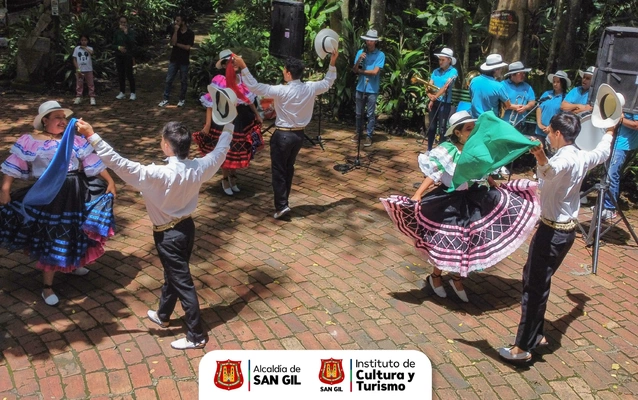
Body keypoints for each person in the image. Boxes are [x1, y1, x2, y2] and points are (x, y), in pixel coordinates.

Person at [76, 118, 233, 350]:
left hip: (168, 235)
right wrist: (229, 125)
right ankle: (163, 314)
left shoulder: (155, 174)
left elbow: (118, 162)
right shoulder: (199, 167)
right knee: (174, 273)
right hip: (187, 228)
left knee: (183, 282)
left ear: (167, 146)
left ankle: (196, 335)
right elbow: (220, 151)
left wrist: (91, 135)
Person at [380, 111, 540, 302]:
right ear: (457, 132)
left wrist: (494, 184)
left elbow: (483, 168)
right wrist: (418, 194)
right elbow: (435, 174)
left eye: (473, 128)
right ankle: (436, 276)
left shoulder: (476, 148)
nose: (472, 132)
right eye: (468, 129)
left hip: (472, 198)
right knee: (446, 241)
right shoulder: (447, 149)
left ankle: (457, 278)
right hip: (449, 200)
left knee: (468, 242)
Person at [498, 112, 613, 364]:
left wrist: (540, 155)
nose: (548, 135)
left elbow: (550, 172)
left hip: (552, 233)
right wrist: (610, 129)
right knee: (536, 281)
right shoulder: (583, 155)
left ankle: (522, 348)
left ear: (559, 134)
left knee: (534, 288)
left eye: (550, 131)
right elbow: (603, 151)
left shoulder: (566, 160)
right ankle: (535, 335)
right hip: (564, 233)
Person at [0, 101, 116, 306]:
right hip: (48, 194)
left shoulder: (74, 140)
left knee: (76, 229)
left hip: (75, 190)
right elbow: (14, 164)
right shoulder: (30, 141)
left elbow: (90, 161)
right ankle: (47, 287)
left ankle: (72, 263)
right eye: (58, 118)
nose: (63, 121)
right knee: (53, 235)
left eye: (64, 118)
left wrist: (110, 181)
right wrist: (5, 189)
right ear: (45, 120)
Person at [233, 51, 338, 219]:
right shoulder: (310, 88)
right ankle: (284, 203)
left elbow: (255, 87)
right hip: (298, 137)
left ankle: (282, 205)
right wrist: (332, 63)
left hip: (282, 135)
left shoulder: (282, 90)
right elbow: (328, 82)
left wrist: (244, 67)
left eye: (284, 70)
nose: (283, 73)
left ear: (289, 73)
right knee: (288, 169)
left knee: (279, 171)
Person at [193, 50, 263, 196]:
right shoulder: (219, 81)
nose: (234, 64)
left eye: (234, 61)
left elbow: (249, 100)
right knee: (225, 149)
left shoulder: (242, 80)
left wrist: (257, 115)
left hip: (240, 119)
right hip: (223, 119)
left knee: (235, 149)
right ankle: (225, 178)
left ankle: (233, 178)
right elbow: (211, 104)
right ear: (224, 65)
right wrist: (207, 125)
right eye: (230, 62)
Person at [601, 112, 638, 220]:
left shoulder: (635, 102)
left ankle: (610, 208)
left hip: (622, 144)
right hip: (610, 139)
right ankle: (602, 205)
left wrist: (620, 119)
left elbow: (636, 125)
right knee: (605, 173)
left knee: (611, 175)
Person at [352, 29, 385, 147]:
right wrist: (359, 60)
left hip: (372, 89)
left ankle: (369, 135)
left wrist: (361, 71)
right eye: (367, 40)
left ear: (375, 42)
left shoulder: (380, 55)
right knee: (358, 113)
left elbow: (375, 72)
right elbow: (354, 70)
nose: (369, 42)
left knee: (370, 114)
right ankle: (358, 132)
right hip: (360, 87)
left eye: (371, 40)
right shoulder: (361, 52)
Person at [425, 47, 458, 151]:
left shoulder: (453, 71)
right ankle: (429, 149)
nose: (440, 62)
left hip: (444, 103)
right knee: (432, 127)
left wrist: (435, 96)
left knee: (442, 128)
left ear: (449, 60)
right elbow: (429, 84)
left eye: (443, 60)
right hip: (434, 102)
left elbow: (446, 86)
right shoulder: (435, 71)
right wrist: (429, 95)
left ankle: (440, 150)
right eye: (439, 59)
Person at [158, 13, 195, 108]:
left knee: (183, 80)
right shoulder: (175, 31)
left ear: (183, 22)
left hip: (184, 61)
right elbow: (172, 42)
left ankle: (182, 99)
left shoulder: (190, 33)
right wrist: (175, 31)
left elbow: (187, 47)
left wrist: (177, 44)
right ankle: (165, 99)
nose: (176, 22)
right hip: (174, 59)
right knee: (168, 80)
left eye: (178, 21)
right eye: (175, 20)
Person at [469, 53, 511, 118]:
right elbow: (508, 105)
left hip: (474, 120)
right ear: (495, 69)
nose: (501, 70)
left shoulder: (474, 80)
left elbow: (472, 97)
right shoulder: (499, 86)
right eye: (501, 68)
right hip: (491, 121)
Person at [536, 70, 570, 138]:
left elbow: (563, 116)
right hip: (540, 131)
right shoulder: (546, 94)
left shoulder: (566, 98)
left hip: (554, 133)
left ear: (563, 83)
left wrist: (550, 127)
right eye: (554, 82)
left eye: (558, 82)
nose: (555, 84)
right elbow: (539, 108)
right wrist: (539, 124)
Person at [501, 61, 536, 128]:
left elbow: (532, 102)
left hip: (520, 123)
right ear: (512, 74)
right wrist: (514, 107)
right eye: (520, 73)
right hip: (503, 122)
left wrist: (525, 107)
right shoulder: (502, 85)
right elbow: (499, 102)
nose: (523, 75)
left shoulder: (527, 87)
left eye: (524, 73)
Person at [113, 15, 136, 101]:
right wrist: (118, 47)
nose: (123, 24)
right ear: (119, 23)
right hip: (119, 56)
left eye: (124, 22)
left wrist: (126, 34)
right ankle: (122, 92)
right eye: (121, 22)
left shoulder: (130, 32)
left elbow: (132, 43)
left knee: (129, 74)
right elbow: (113, 44)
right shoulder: (116, 32)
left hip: (128, 56)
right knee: (120, 74)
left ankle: (133, 93)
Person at [73, 35, 96, 106]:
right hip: (80, 69)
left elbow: (92, 53)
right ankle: (78, 96)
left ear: (87, 41)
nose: (83, 41)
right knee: (79, 84)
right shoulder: (77, 49)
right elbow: (74, 59)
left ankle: (92, 97)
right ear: (80, 41)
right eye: (82, 40)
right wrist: (78, 69)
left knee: (90, 84)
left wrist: (85, 48)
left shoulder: (90, 48)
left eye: (85, 40)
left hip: (88, 69)